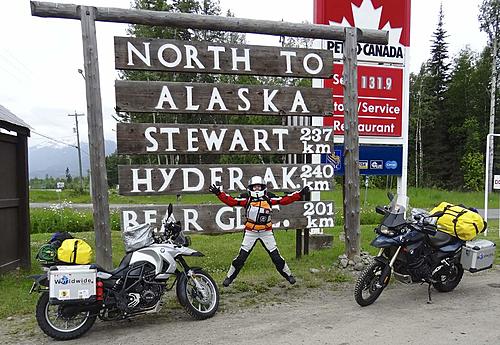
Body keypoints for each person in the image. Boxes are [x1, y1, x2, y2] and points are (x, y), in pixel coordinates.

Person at [209, 176, 310, 287]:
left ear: (263, 187)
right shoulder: (246, 198)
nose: (257, 189)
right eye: (254, 187)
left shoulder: (268, 197)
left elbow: (284, 200)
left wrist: (300, 194)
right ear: (250, 188)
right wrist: (219, 193)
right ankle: (229, 277)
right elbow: (231, 201)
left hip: (266, 232)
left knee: (276, 257)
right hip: (250, 232)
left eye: (259, 186)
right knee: (240, 258)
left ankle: (289, 275)